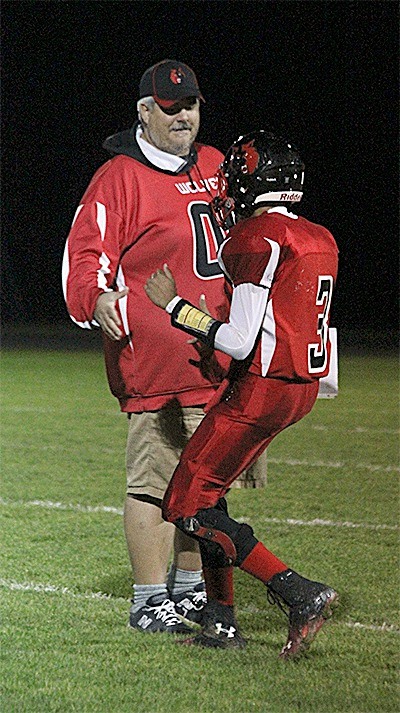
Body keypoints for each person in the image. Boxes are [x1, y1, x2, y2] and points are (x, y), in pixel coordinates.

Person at [62, 59, 265, 634]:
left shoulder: (217, 165)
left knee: (203, 483)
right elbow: (84, 253)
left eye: (192, 105)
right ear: (145, 111)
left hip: (218, 353)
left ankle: (188, 587)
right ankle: (150, 600)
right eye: (170, 107)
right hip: (155, 358)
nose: (184, 116)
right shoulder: (119, 176)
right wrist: (94, 300)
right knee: (155, 483)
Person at [145, 130, 339, 658]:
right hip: (301, 387)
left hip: (262, 390)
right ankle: (221, 622)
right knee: (211, 494)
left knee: (186, 504)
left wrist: (174, 306)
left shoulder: (256, 238)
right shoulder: (319, 235)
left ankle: (296, 591)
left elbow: (238, 338)